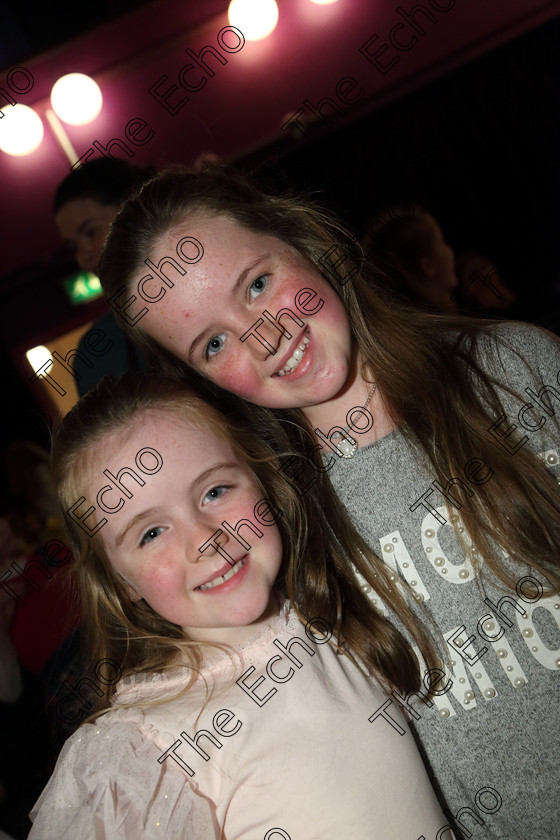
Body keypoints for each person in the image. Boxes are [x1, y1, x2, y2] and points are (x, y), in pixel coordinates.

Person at [99, 164, 560, 839]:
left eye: (257, 285)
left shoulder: (517, 368)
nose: (264, 337)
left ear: (305, 242)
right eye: (216, 343)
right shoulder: (271, 527)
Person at [29, 374, 450, 838]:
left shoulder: (328, 614)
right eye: (152, 533)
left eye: (215, 491)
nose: (206, 538)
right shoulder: (151, 753)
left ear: (261, 479)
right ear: (120, 582)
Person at [53, 159, 150, 395]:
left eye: (91, 232)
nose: (83, 256)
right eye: (73, 246)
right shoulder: (95, 349)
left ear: (132, 210)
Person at [362, 203, 458, 313]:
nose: (449, 250)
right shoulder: (449, 324)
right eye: (442, 242)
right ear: (428, 266)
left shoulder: (403, 324)